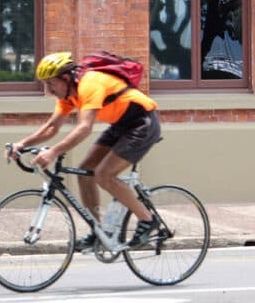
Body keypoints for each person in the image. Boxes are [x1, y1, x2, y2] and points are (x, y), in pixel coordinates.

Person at [9, 52, 162, 250]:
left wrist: (53, 152)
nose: (48, 90)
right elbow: (52, 127)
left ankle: (147, 220)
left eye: (50, 84)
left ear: (65, 78)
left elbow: (84, 128)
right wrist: (22, 144)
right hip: (120, 125)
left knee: (104, 175)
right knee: (85, 173)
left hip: (142, 123)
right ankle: (98, 232)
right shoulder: (68, 95)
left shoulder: (90, 84)